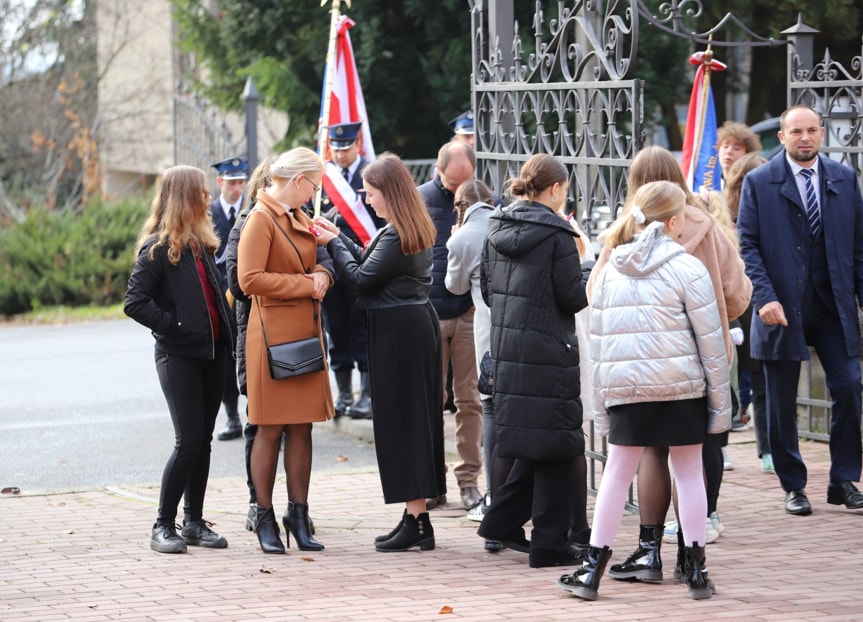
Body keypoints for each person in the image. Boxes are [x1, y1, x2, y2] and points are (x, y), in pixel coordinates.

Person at [559, 180, 732, 601]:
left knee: (618, 474)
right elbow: (711, 343)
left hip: (627, 389)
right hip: (680, 388)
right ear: (674, 222)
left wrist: (601, 404)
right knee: (689, 473)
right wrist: (719, 405)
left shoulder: (608, 268)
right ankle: (696, 569)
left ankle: (591, 569)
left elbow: (597, 345)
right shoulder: (688, 268)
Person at [586, 146, 749, 584]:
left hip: (628, 378)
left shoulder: (618, 245)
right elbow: (736, 293)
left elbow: (594, 306)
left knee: (635, 461)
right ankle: (692, 560)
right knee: (693, 461)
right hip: (687, 371)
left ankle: (640, 552)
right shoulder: (704, 231)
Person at [313, 153, 445, 552]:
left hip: (399, 334)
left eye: (371, 194)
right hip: (410, 327)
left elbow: (360, 278)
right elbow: (373, 262)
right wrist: (338, 236)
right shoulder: (407, 227)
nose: (368, 200)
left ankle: (417, 517)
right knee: (412, 421)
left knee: (401, 423)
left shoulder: (396, 233)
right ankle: (416, 517)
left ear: (388, 192)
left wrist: (334, 242)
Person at [737, 104, 863, 516]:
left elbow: (859, 247)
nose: (804, 137)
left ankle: (843, 478)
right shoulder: (759, 181)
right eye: (796, 131)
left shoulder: (845, 179)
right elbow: (748, 246)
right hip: (781, 306)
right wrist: (765, 297)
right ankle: (794, 485)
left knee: (848, 386)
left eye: (812, 130)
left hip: (833, 304)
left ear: (822, 134)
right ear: (783, 137)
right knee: (780, 399)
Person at [476, 154, 590, 568]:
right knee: (559, 444)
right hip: (548, 351)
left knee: (535, 443)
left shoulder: (497, 228)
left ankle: (500, 523)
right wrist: (587, 269)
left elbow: (489, 291)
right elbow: (572, 297)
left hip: (509, 347)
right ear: (556, 189)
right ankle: (549, 545)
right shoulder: (559, 235)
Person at [124, 165, 237, 554]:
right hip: (179, 356)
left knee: (203, 442)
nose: (208, 198)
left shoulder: (201, 243)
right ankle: (162, 524)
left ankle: (193, 522)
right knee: (188, 441)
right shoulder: (157, 248)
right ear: (184, 197)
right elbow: (134, 303)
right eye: (202, 192)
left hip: (212, 354)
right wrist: (173, 326)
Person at [237, 148, 335, 554]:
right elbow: (248, 279)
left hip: (303, 333)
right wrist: (304, 285)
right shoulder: (260, 219)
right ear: (298, 182)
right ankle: (264, 516)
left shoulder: (297, 217)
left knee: (302, 426)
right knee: (271, 427)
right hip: (272, 336)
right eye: (313, 186)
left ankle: (299, 515)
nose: (314, 194)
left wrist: (324, 275)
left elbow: (319, 259)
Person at [418, 141, 484, 511]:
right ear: (438, 170)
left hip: (466, 314)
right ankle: (432, 480)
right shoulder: (421, 199)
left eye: (466, 183)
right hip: (427, 312)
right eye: (453, 182)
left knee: (469, 400)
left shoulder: (482, 200)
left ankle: (469, 480)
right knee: (430, 401)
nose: (460, 193)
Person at [444, 179, 499, 548]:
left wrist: (456, 239)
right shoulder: (506, 223)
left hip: (480, 324)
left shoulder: (461, 237)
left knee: (485, 405)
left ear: (460, 206)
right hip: (514, 326)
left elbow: (454, 285)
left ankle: (488, 494)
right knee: (487, 406)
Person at [319, 122, 383, 419]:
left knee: (362, 328)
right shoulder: (324, 179)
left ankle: (368, 392)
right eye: (336, 148)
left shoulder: (371, 175)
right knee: (337, 329)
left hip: (362, 263)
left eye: (346, 147)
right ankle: (344, 392)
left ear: (357, 144)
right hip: (332, 267)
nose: (341, 154)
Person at [724, 152, 773, 472]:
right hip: (735, 310)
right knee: (726, 380)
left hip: (765, 306)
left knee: (764, 381)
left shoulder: (778, 215)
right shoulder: (726, 220)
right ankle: (721, 445)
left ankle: (768, 448)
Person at [715, 122, 763, 435]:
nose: (729, 153)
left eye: (736, 147)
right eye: (725, 146)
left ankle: (743, 415)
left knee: (750, 363)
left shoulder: (755, 182)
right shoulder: (707, 185)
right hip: (726, 291)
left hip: (752, 289)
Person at [209, 156, 249, 441]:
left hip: (246, 295)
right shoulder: (208, 214)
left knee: (251, 358)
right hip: (220, 297)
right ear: (219, 181)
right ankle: (232, 417)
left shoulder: (251, 210)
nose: (237, 187)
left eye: (241, 182)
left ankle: (256, 417)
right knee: (224, 360)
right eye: (232, 182)